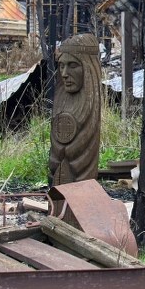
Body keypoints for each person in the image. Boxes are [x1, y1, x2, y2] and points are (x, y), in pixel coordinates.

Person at [49, 34, 102, 186]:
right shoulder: (61, 101)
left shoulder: (90, 107)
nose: (64, 74)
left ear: (89, 68)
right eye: (61, 66)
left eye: (73, 65)